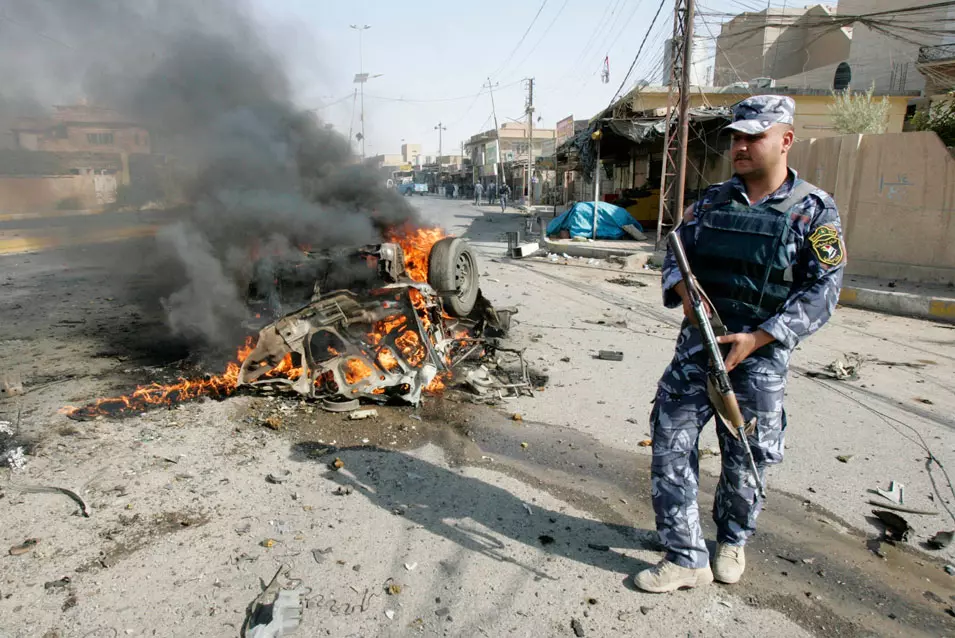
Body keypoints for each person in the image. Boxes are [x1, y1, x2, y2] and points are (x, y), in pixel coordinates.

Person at [633, 95, 846, 593]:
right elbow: (674, 254)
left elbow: (824, 289)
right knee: (670, 442)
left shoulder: (813, 210)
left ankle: (731, 539)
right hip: (698, 349)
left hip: (760, 356)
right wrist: (684, 293)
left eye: (755, 136)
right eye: (737, 137)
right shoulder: (711, 202)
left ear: (785, 140)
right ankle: (686, 554)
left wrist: (760, 337)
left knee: (747, 457)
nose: (742, 146)